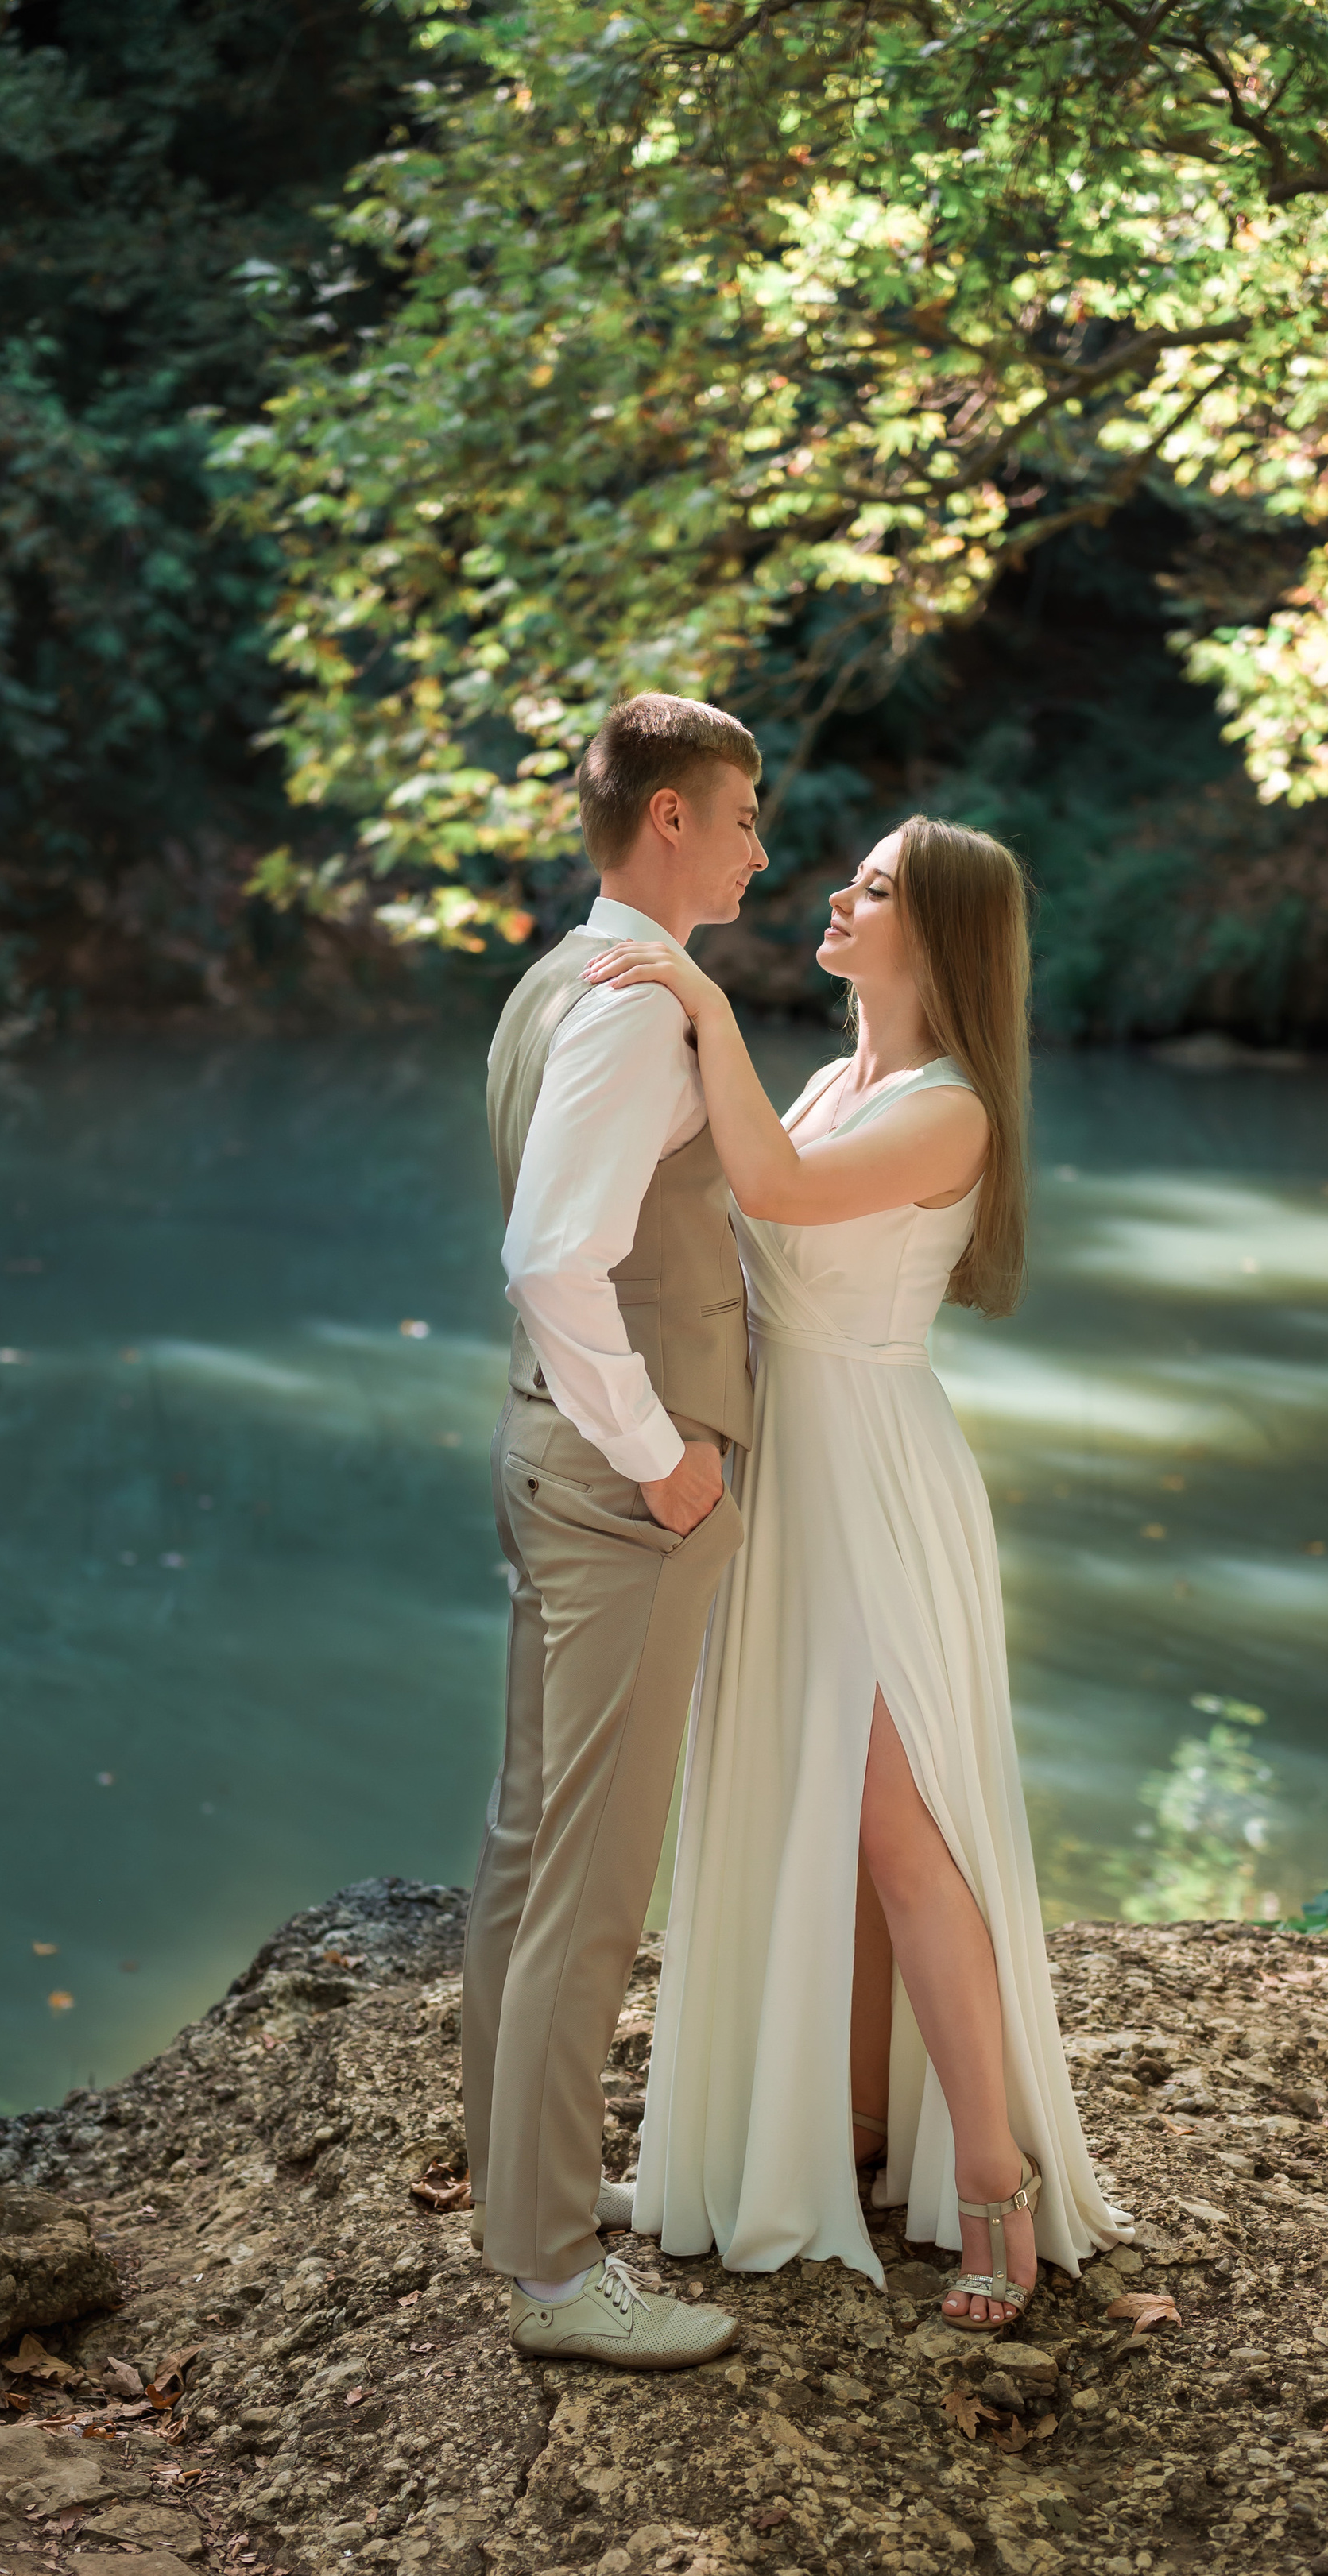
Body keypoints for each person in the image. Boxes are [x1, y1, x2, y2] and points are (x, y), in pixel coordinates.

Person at [586, 818, 1129, 2329]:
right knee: (818, 1811)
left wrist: (689, 993)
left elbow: (765, 1191)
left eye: (877, 887)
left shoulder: (950, 1110)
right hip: (793, 1473)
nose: (839, 892)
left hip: (876, 1481)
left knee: (903, 1831)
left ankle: (995, 2184)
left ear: (940, 933)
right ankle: (828, 2133)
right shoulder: (839, 1076)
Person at [459, 692, 767, 2369]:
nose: (757, 847)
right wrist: (664, 1461)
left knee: (530, 1856)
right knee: (583, 1882)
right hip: (614, 1488)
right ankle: (559, 2275)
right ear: (666, 816)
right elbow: (548, 1259)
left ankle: (521, 2204)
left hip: (550, 1457)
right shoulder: (633, 1009)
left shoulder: (558, 981)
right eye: (741, 815)